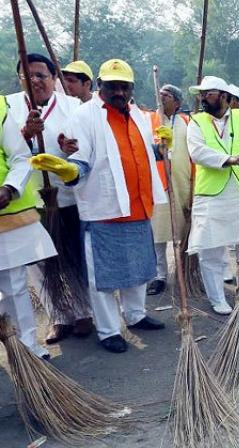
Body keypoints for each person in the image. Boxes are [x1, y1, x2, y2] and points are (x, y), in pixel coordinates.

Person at [31, 59, 167, 353]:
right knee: (103, 276)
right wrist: (69, 171)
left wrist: (159, 148)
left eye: (124, 86)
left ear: (131, 88)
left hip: (139, 206)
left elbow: (136, 152)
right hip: (105, 209)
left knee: (139, 268)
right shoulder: (85, 116)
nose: (119, 92)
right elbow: (80, 160)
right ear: (100, 86)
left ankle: (136, 315)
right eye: (112, 86)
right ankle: (107, 330)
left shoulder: (138, 115)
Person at [8, 53, 93, 344]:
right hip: (31, 200)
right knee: (40, 263)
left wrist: (72, 148)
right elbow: (7, 151)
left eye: (41, 75)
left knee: (74, 257)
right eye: (27, 76)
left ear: (53, 78)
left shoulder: (72, 106)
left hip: (67, 197)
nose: (34, 81)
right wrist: (25, 134)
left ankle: (84, 311)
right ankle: (59, 316)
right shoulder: (10, 106)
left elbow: (86, 147)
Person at [183, 76, 239, 315]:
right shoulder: (196, 121)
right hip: (211, 195)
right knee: (210, 249)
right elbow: (197, 152)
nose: (203, 98)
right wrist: (228, 159)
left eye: (209, 93)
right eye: (201, 94)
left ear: (224, 96)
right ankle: (217, 299)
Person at [0, 94, 57, 359]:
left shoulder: (0, 108)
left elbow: (20, 158)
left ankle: (27, 348)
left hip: (5, 217)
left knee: (14, 284)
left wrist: (9, 188)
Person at [144, 84, 192, 296]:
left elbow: (193, 156)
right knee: (158, 233)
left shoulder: (186, 123)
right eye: (160, 93)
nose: (162, 97)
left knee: (184, 231)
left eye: (168, 95)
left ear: (178, 103)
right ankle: (159, 275)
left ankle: (185, 271)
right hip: (158, 185)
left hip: (182, 184)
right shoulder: (148, 121)